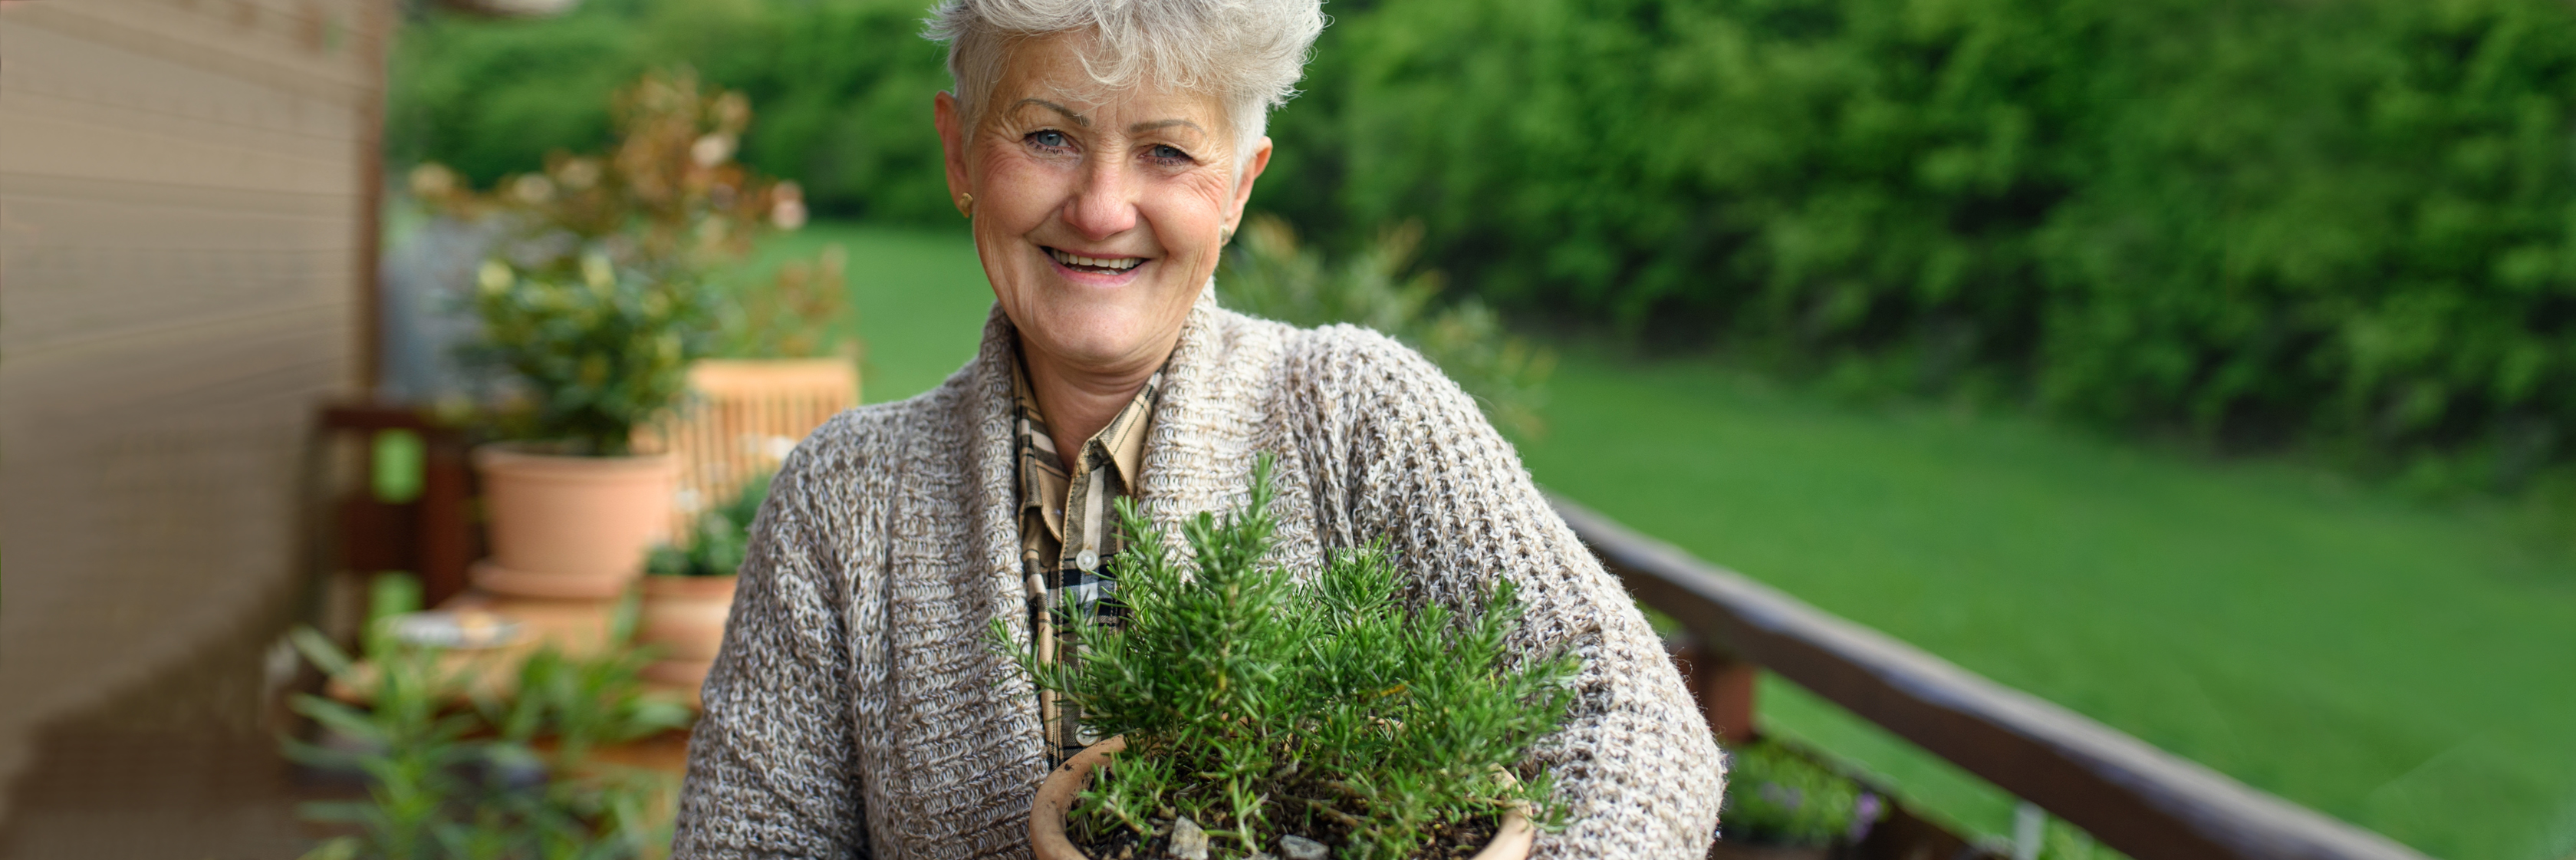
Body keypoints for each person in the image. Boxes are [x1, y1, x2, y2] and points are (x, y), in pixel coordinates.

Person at [669, 0, 1724, 854]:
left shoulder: (1362, 416)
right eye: (1047, 135)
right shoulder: (842, 495)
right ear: (959, 155)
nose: (1099, 205)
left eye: (1168, 153)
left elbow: (1622, 710)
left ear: (1238, 187)